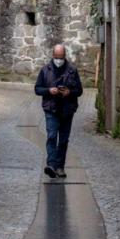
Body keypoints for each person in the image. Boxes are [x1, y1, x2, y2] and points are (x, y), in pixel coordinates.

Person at [34, 44, 83, 179]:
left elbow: (79, 91)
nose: (59, 60)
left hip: (68, 109)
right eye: (56, 57)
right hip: (51, 108)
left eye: (61, 57)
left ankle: (60, 167)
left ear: (64, 56)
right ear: (53, 56)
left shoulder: (72, 70)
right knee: (51, 136)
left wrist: (69, 92)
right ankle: (51, 165)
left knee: (63, 140)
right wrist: (49, 90)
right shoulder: (45, 70)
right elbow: (37, 89)